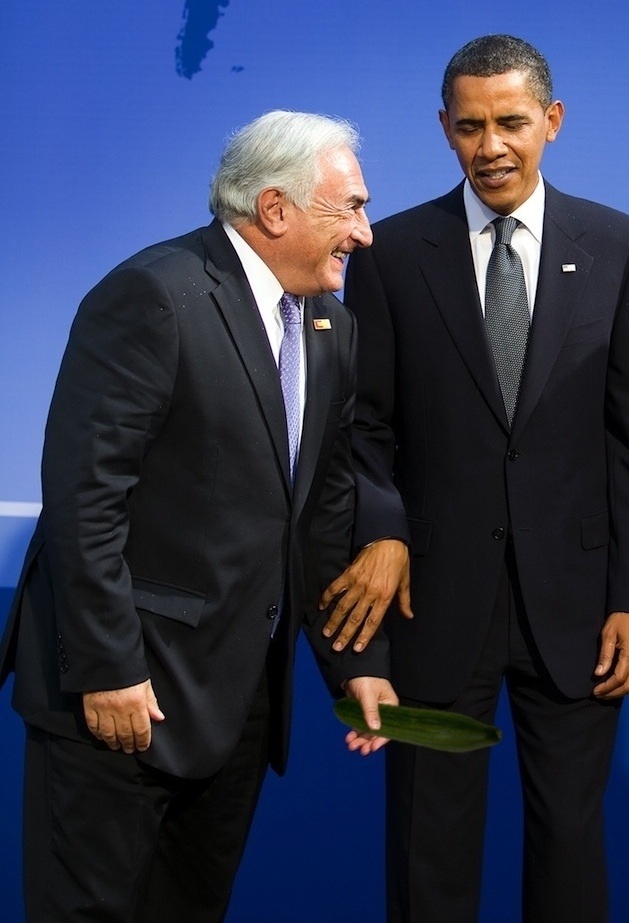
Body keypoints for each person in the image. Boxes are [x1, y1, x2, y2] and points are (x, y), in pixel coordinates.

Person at [0, 110, 397, 923]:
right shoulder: (154, 295)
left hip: (237, 704)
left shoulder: (331, 327)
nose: (364, 232)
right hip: (124, 695)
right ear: (276, 208)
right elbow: (86, 498)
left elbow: (319, 514)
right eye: (351, 207)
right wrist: (108, 667)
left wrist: (354, 660)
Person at [319, 33, 629, 923]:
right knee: (427, 851)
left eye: (511, 122)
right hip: (433, 603)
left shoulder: (621, 246)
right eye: (470, 126)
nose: (491, 147)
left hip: (580, 608)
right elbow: (364, 429)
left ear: (552, 121)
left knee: (570, 847)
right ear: (444, 127)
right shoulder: (393, 253)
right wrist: (386, 529)